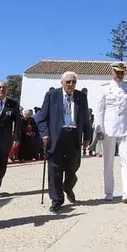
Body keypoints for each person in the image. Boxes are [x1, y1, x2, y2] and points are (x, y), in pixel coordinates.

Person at [37, 71, 91, 212]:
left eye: (73, 82)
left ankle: (68, 186)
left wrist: (87, 136)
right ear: (62, 83)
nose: (71, 85)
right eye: (68, 82)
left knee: (73, 167)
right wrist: (45, 134)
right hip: (56, 136)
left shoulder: (81, 97)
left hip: (73, 136)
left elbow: (85, 118)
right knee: (54, 168)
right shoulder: (52, 95)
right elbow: (42, 118)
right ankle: (57, 199)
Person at [94, 62, 127, 204]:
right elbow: (99, 110)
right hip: (108, 129)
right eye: (117, 72)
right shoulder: (104, 88)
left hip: (125, 128)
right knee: (108, 162)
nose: (119, 75)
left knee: (126, 159)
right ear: (112, 72)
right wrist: (99, 129)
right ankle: (108, 192)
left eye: (122, 73)